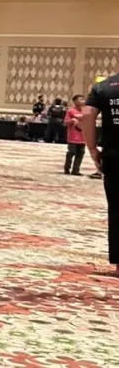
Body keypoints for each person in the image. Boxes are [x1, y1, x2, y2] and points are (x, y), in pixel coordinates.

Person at [82, 71, 119, 276]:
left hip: (114, 155)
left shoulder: (105, 86)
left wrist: (93, 149)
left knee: (116, 208)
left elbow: (87, 115)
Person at [64, 95, 85, 175]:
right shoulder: (70, 111)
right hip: (73, 136)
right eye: (81, 99)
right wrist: (72, 120)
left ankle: (76, 170)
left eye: (83, 99)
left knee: (81, 153)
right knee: (71, 152)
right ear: (75, 101)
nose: (83, 100)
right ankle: (67, 167)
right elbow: (65, 122)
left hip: (83, 137)